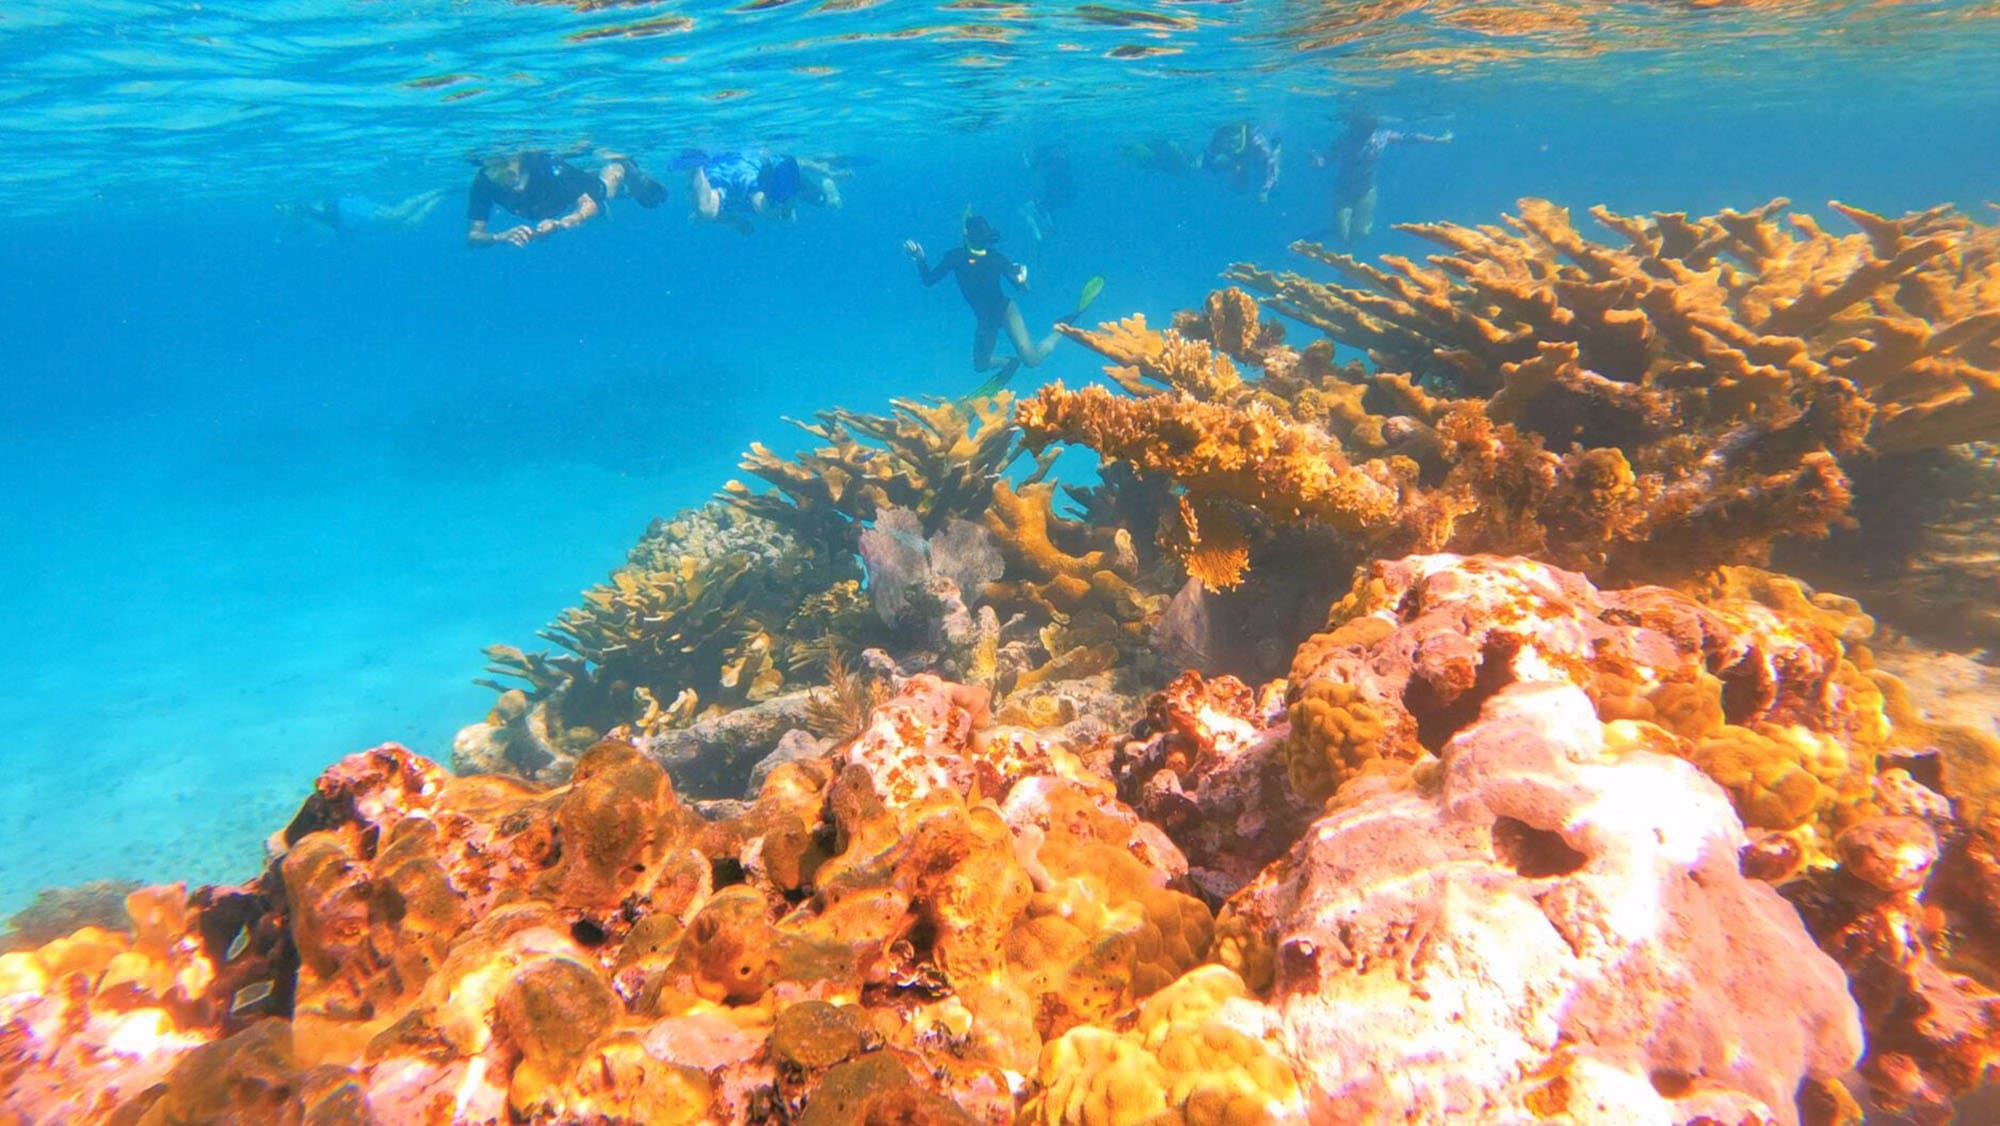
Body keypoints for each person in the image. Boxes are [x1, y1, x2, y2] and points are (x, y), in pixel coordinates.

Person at [903, 213, 1102, 395]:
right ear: (968, 235)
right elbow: (929, 280)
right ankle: (1010, 363)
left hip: (1006, 311)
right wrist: (920, 259)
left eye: (984, 235)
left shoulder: (996, 259)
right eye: (977, 234)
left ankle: (1061, 329)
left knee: (1032, 360)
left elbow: (1023, 290)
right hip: (985, 319)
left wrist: (1023, 280)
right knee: (980, 365)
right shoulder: (956, 257)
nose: (981, 239)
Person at [464, 150, 666, 249]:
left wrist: (562, 223)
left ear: (519, 159)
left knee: (606, 185)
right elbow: (473, 236)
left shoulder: (545, 167)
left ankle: (633, 174)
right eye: (493, 170)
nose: (501, 178)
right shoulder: (484, 182)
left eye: (505, 169)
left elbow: (588, 203)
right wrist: (499, 237)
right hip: (552, 203)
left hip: (583, 191)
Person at [1316, 110, 1452, 245]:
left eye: (1368, 131)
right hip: (1343, 191)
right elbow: (1327, 158)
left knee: (1362, 233)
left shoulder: (1381, 136)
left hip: (1366, 190)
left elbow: (1409, 138)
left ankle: (1341, 230)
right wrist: (1318, 161)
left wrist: (1439, 140)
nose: (1365, 136)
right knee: (1344, 237)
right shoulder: (1345, 139)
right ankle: (1337, 231)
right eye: (1361, 132)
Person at [685, 149, 843, 234]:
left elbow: (799, 164)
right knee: (778, 213)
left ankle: (695, 166)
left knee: (706, 212)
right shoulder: (778, 173)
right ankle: (695, 167)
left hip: (722, 173)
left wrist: (826, 172)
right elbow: (800, 163)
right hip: (742, 176)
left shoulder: (782, 174)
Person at [277, 189, 448, 236]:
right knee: (408, 225)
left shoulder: (303, 208)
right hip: (351, 218)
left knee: (397, 214)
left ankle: (438, 191)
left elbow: (322, 204)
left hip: (351, 209)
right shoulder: (303, 216)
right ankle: (439, 197)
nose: (286, 211)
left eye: (284, 208)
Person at [1198, 123, 1281, 203]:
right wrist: (1265, 190)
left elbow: (1271, 162)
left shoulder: (1255, 142)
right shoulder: (1220, 140)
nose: (1230, 144)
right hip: (1240, 155)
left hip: (1247, 153)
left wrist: (1266, 189)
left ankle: (1276, 142)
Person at [1018, 143, 1074, 243]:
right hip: (1063, 195)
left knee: (1026, 209)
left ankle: (1039, 236)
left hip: (1059, 195)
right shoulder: (1055, 163)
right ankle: (1050, 229)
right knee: (1041, 207)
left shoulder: (1046, 164)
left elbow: (1031, 166)